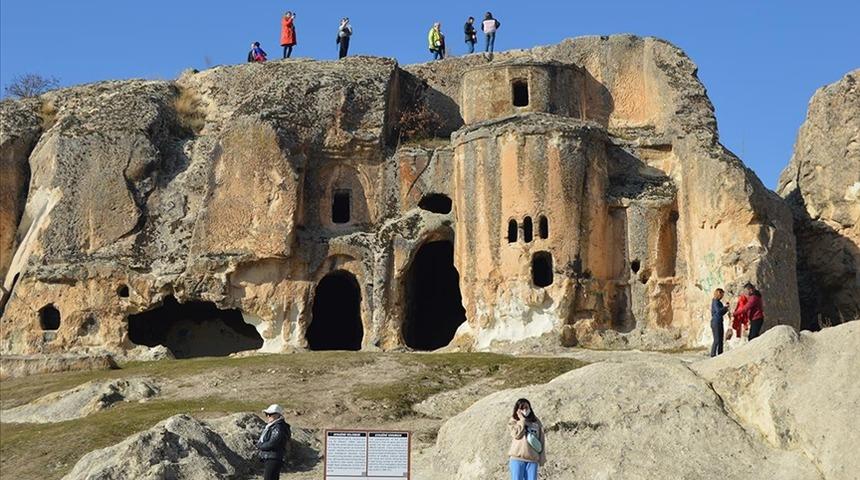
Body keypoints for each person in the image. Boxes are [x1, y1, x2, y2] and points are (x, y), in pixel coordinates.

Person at [508, 398, 546, 480]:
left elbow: (541, 440)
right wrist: (522, 420)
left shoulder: (536, 422)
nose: (525, 410)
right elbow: (516, 434)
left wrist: (542, 458)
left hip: (532, 460)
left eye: (527, 407)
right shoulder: (513, 421)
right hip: (517, 458)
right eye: (522, 408)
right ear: (518, 409)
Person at [257, 404, 290, 480]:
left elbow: (273, 442)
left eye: (270, 414)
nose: (268, 416)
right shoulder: (274, 426)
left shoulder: (279, 427)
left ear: (278, 415)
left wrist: (260, 446)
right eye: (266, 414)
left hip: (273, 457)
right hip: (272, 457)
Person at [710, 288, 729, 357]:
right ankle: (713, 354)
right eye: (722, 294)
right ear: (719, 294)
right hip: (715, 322)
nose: (722, 296)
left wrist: (726, 309)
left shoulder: (719, 302)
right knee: (717, 339)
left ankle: (720, 354)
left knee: (721, 340)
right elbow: (718, 311)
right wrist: (724, 308)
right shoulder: (715, 301)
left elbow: (721, 312)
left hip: (719, 321)